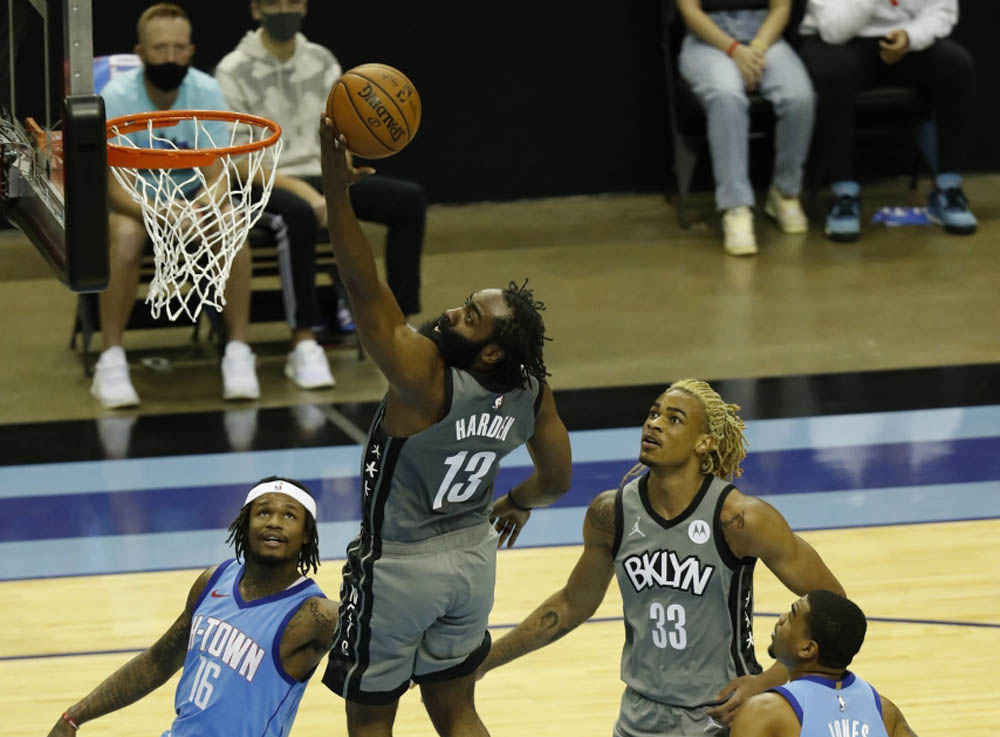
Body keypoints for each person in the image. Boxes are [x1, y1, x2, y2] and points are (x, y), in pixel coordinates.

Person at [316, 120, 573, 736]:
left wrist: (336, 190)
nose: (454, 311)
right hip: (471, 565)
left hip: (400, 567)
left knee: (371, 718)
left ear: (487, 353)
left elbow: (362, 285)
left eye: (471, 316)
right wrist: (518, 500)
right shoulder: (531, 392)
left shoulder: (424, 376)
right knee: (457, 711)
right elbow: (558, 479)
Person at [477, 379, 846, 736]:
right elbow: (572, 604)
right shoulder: (611, 513)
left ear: (704, 442)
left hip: (723, 717)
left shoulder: (741, 519)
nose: (654, 423)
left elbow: (836, 608)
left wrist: (769, 680)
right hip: (640, 717)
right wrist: (485, 662)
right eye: (653, 414)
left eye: (674, 419)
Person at [214, 0, 428, 382]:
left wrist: (340, 173)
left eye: (291, 1)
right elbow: (236, 161)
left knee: (407, 200)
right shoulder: (232, 70)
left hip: (322, 173)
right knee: (298, 214)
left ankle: (399, 325)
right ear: (255, 10)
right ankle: (303, 342)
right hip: (264, 182)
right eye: (274, 3)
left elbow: (340, 130)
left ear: (304, 6)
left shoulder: (322, 60)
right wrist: (310, 194)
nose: (284, 9)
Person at [46, 475, 338, 736]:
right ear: (245, 523)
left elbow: (374, 636)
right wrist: (74, 717)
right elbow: (157, 662)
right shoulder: (215, 579)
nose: (274, 521)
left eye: (289, 515)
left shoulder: (314, 614)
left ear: (307, 534)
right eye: (263, 512)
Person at [92, 3, 260, 408]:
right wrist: (161, 212)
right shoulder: (115, 97)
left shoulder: (205, 90)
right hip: (139, 204)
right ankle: (111, 359)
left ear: (190, 51)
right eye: (159, 48)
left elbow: (219, 170)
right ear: (141, 52)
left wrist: (203, 206)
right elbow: (113, 184)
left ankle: (238, 352)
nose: (169, 56)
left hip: (192, 200)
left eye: (177, 48)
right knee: (126, 236)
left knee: (233, 222)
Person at [798, 0, 977, 242]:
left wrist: (909, 37)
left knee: (956, 63)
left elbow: (942, 11)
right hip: (841, 40)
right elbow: (834, 31)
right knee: (834, 73)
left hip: (904, 38)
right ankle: (843, 193)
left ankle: (947, 188)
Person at [677, 0, 814, 256]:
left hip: (763, 35)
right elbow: (689, 11)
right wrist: (733, 49)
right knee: (726, 96)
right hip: (708, 40)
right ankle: (735, 206)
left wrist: (756, 49)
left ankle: (784, 192)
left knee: (799, 97)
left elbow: (781, 8)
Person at [731, 590, 920, 736]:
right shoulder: (885, 711)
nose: (781, 619)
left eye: (791, 616)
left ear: (807, 649)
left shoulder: (763, 712)